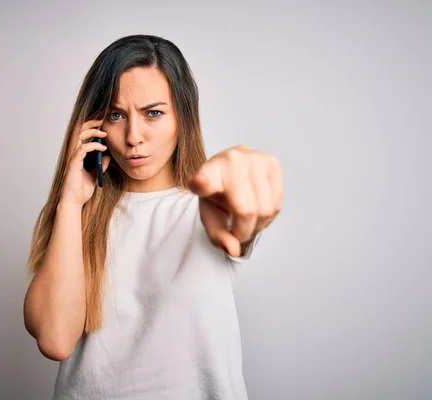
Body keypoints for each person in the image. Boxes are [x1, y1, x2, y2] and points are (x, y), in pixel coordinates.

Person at [23, 34, 284, 400]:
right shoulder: (79, 219)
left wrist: (244, 172)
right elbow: (54, 339)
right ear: (94, 126)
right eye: (116, 115)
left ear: (183, 117)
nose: (133, 137)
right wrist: (69, 202)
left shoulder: (208, 207)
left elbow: (239, 214)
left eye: (153, 113)